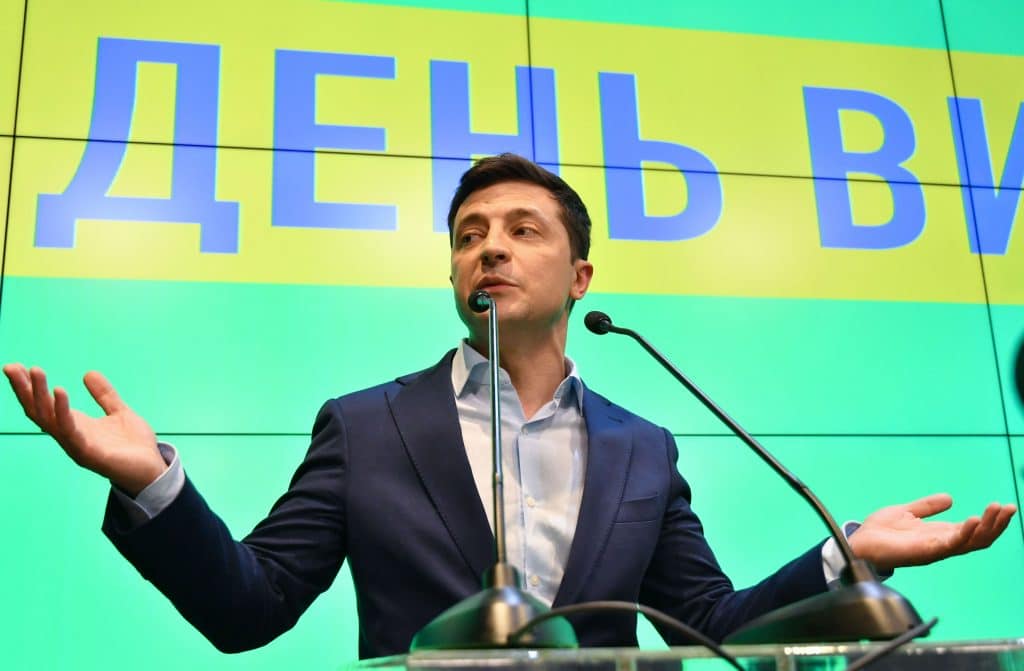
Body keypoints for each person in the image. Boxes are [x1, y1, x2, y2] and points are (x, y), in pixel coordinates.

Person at [3, 154, 1017, 659]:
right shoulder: (365, 426)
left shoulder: (644, 448)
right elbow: (249, 607)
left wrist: (849, 553)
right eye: (469, 233)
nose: (488, 245)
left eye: (522, 229)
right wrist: (152, 483)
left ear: (580, 277)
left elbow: (706, 624)